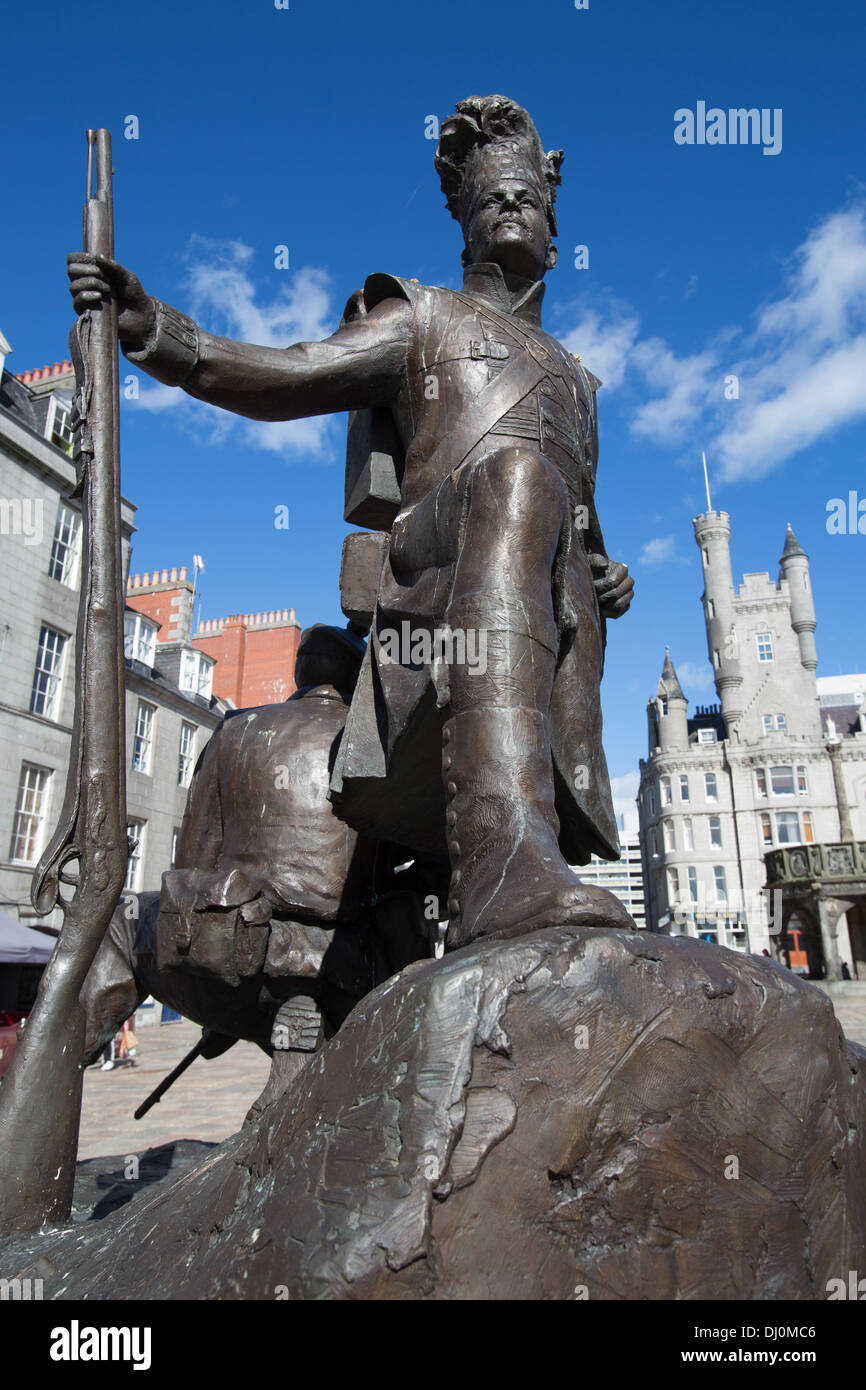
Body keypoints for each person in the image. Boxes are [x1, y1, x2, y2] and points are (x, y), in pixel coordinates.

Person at [68, 95, 635, 949]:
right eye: (490, 198)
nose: (510, 207)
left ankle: (523, 844)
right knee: (516, 479)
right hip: (433, 605)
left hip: (545, 625)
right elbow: (290, 373)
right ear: (465, 225)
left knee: (529, 490)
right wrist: (159, 333)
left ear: (554, 222)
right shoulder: (422, 317)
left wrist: (607, 574)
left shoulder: (580, 385)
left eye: (525, 195)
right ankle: (503, 857)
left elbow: (581, 533)